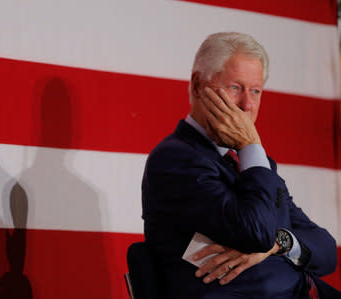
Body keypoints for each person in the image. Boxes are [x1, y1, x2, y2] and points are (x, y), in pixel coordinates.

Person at [142, 32, 340, 298]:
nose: (247, 105)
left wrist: (278, 244)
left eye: (255, 91)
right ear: (198, 85)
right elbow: (256, 233)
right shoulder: (175, 160)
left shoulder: (253, 164)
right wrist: (250, 146)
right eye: (235, 87)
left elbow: (326, 251)